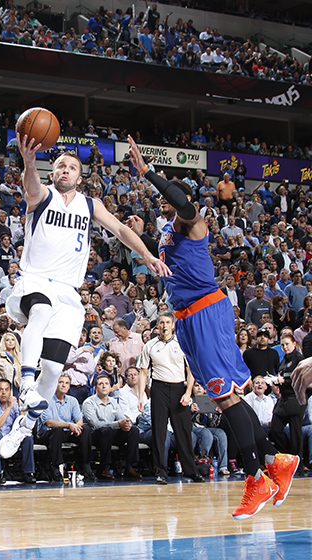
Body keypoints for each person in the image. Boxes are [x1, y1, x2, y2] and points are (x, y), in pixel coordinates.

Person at [127, 135, 299, 520]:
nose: (166, 203)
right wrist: (143, 234)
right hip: (191, 318)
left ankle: (257, 476)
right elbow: (174, 260)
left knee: (224, 398)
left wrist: (148, 172)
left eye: (170, 198)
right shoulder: (172, 233)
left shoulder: (194, 222)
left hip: (204, 312)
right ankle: (276, 460)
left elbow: (184, 204)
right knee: (232, 394)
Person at [0, 139, 168, 460]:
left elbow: (120, 229)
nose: (65, 170)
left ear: (80, 176)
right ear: (53, 172)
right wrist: (29, 161)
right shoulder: (43, 195)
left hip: (67, 293)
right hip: (34, 280)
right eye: (60, 165)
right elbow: (30, 186)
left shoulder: (90, 205)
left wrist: (147, 255)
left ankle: (23, 425)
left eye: (72, 167)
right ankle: (25, 386)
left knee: (52, 369)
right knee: (41, 308)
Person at [138, 312, 203, 484]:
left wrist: (188, 392)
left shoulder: (182, 343)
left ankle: (191, 470)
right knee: (159, 432)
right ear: (157, 325)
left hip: (178, 388)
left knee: (183, 432)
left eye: (167, 322)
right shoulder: (150, 345)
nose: (164, 325)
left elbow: (191, 371)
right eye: (161, 322)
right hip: (158, 388)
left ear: (173, 325)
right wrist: (140, 396)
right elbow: (143, 372)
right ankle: (160, 471)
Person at [82, 374, 142, 479]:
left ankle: (129, 467)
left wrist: (126, 424)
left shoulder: (114, 402)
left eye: (106, 384)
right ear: (96, 388)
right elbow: (95, 425)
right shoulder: (89, 403)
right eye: (101, 384)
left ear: (110, 388)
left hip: (111, 433)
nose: (104, 386)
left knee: (133, 430)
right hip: (95, 435)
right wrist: (118, 424)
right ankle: (104, 468)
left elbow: (121, 418)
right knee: (106, 430)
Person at [37, 374, 95, 481]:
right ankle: (56, 467)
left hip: (66, 432)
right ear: (55, 384)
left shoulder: (73, 400)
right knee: (57, 430)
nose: (64, 385)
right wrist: (69, 425)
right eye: (61, 382)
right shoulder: (46, 400)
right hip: (48, 434)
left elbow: (79, 419)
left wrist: (77, 426)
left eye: (67, 383)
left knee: (85, 429)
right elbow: (49, 423)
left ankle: (86, 465)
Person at [0, 379, 35, 485]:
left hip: (8, 438)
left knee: (27, 436)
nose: (4, 392)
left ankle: (28, 473)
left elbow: (21, 425)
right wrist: (8, 408)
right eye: (0, 390)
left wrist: (21, 409)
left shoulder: (14, 403)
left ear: (10, 391)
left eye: (6, 389)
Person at [269, 335, 305, 466]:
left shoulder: (299, 359)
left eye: (287, 344)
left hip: (296, 398)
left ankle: (297, 463)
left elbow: (301, 378)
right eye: (283, 345)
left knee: (296, 432)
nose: (285, 347)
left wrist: (285, 380)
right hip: (283, 399)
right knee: (275, 430)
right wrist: (276, 382)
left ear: (294, 344)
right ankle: (289, 455)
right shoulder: (284, 359)